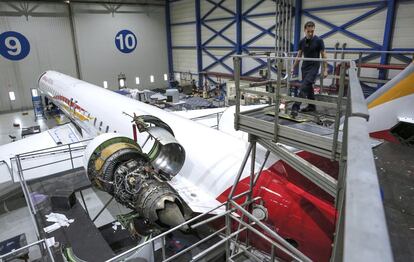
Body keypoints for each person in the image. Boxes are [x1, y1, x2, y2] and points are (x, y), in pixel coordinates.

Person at [290, 21, 328, 117]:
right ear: (305, 30)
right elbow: (299, 56)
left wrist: (325, 69)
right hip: (305, 66)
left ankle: (295, 107)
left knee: (304, 86)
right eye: (308, 31)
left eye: (312, 31)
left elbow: (324, 55)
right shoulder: (302, 41)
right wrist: (293, 67)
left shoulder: (319, 40)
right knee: (309, 86)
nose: (310, 33)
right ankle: (311, 106)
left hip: (314, 66)